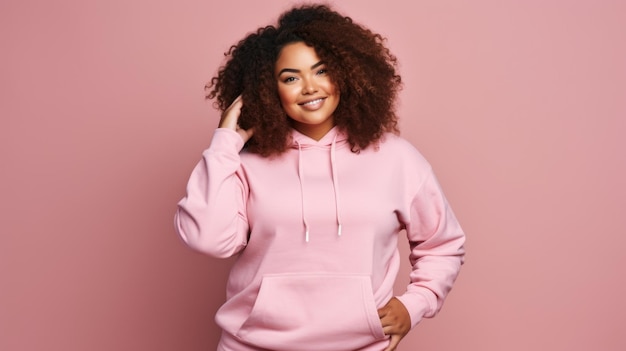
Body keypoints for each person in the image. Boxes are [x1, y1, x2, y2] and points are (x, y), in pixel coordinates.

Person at [174, 4, 465, 351]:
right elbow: (207, 239)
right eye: (291, 77)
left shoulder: (395, 157)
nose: (309, 88)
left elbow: (443, 245)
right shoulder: (243, 163)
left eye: (321, 70)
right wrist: (224, 143)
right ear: (269, 89)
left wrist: (415, 303)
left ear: (347, 73)